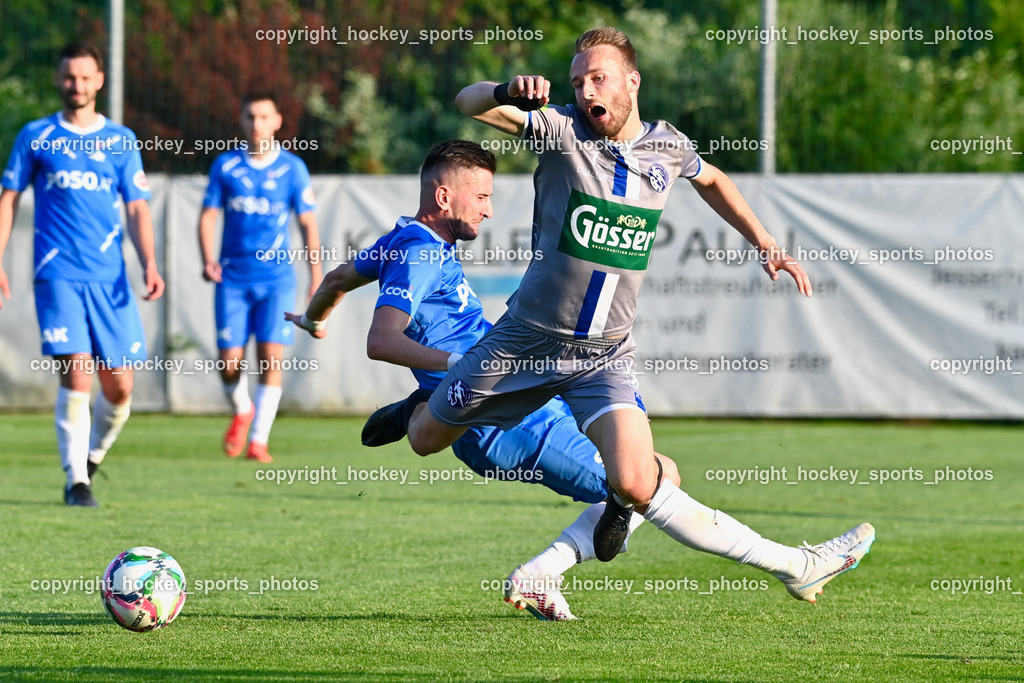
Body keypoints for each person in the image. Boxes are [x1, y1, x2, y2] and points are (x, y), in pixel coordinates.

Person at [361, 28, 874, 603]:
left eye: (597, 78)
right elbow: (469, 103)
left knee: (639, 480)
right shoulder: (559, 130)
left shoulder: (668, 146)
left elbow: (712, 179)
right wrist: (506, 88)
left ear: (632, 82)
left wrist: (764, 240)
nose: (585, 91)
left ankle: (794, 565)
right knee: (426, 438)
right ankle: (421, 404)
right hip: (523, 344)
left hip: (604, 354)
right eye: (578, 81)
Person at [289, 139, 681, 620]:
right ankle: (543, 571)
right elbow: (381, 341)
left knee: (645, 471)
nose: (489, 210)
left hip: (512, 388)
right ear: (443, 198)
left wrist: (314, 321)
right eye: (481, 197)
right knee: (655, 483)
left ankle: (421, 410)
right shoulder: (419, 255)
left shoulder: (405, 239)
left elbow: (333, 281)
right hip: (497, 420)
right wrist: (460, 364)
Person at [0, 42, 164, 507]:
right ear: (59, 80)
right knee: (77, 372)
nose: (77, 85)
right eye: (69, 77)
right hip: (57, 276)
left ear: (99, 81)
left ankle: (90, 458)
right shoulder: (36, 136)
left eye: (85, 77)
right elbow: (8, 199)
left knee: (120, 385)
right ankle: (76, 482)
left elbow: (136, 206)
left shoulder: (120, 140)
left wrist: (149, 262)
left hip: (109, 278)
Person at [198, 92, 321, 463]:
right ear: (241, 120)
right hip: (233, 279)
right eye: (250, 117)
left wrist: (316, 276)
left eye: (264, 117)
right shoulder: (225, 166)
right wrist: (208, 259)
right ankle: (242, 409)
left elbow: (307, 223)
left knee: (270, 359)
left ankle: (259, 440)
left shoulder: (292, 168)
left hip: (277, 280)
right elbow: (207, 216)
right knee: (229, 362)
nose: (257, 124)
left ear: (277, 121)